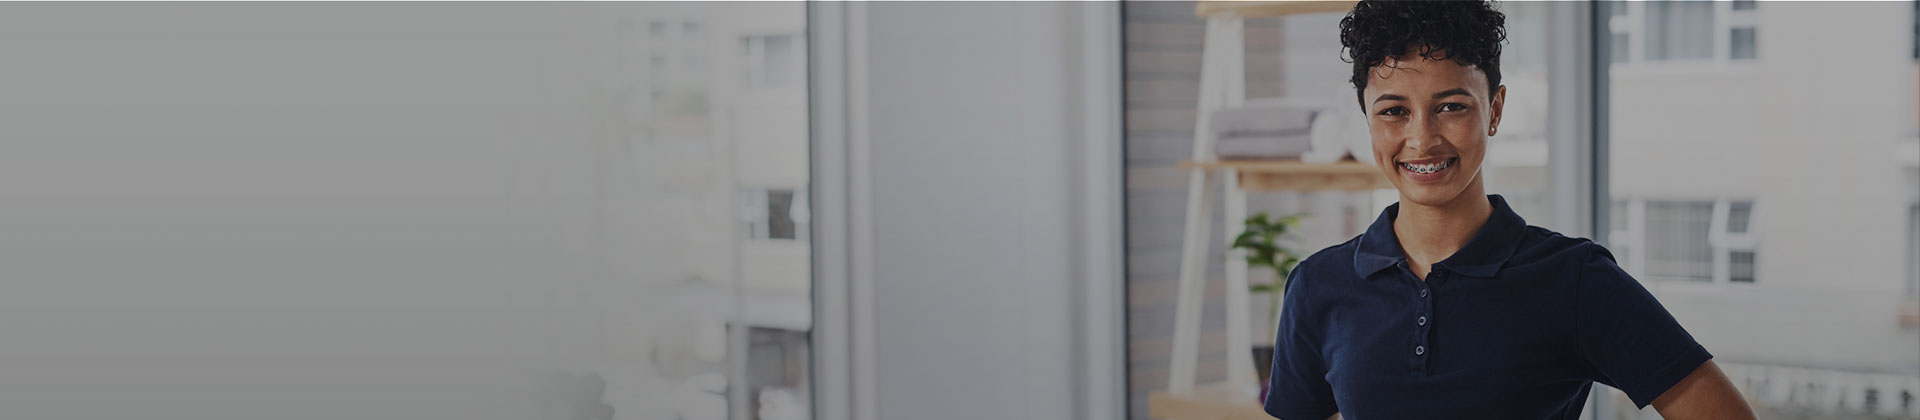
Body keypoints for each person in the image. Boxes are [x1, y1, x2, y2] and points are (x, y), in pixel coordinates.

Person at [1260, 1, 1758, 419]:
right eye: (1393, 111)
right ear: (1367, 120)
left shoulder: (1573, 279)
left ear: (1494, 109)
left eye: (1451, 106)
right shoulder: (1317, 285)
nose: (1422, 139)